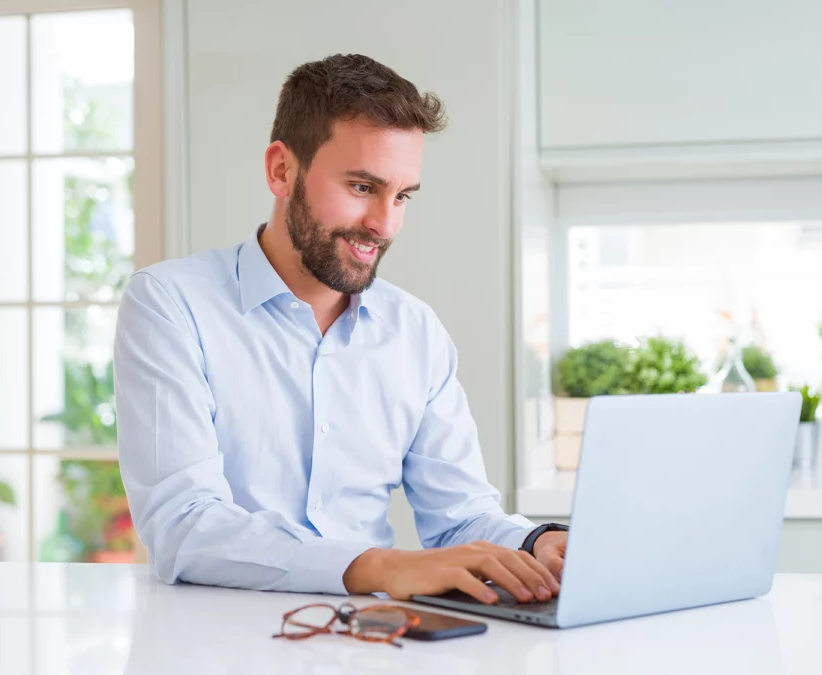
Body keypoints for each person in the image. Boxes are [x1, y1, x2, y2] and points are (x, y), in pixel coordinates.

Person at [114, 53, 567, 605]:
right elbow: (183, 525)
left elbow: (459, 519)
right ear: (282, 169)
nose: (384, 223)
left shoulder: (415, 331)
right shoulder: (171, 304)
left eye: (401, 196)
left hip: (376, 642)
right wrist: (375, 567)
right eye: (361, 187)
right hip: (222, 642)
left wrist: (536, 541)